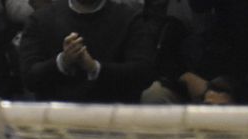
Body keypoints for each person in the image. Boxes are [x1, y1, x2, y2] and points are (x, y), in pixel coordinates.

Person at [17, 0, 158, 104]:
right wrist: (62, 62)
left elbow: (143, 74)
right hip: (56, 120)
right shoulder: (40, 19)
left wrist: (95, 68)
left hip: (115, 119)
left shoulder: (130, 18)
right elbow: (30, 77)